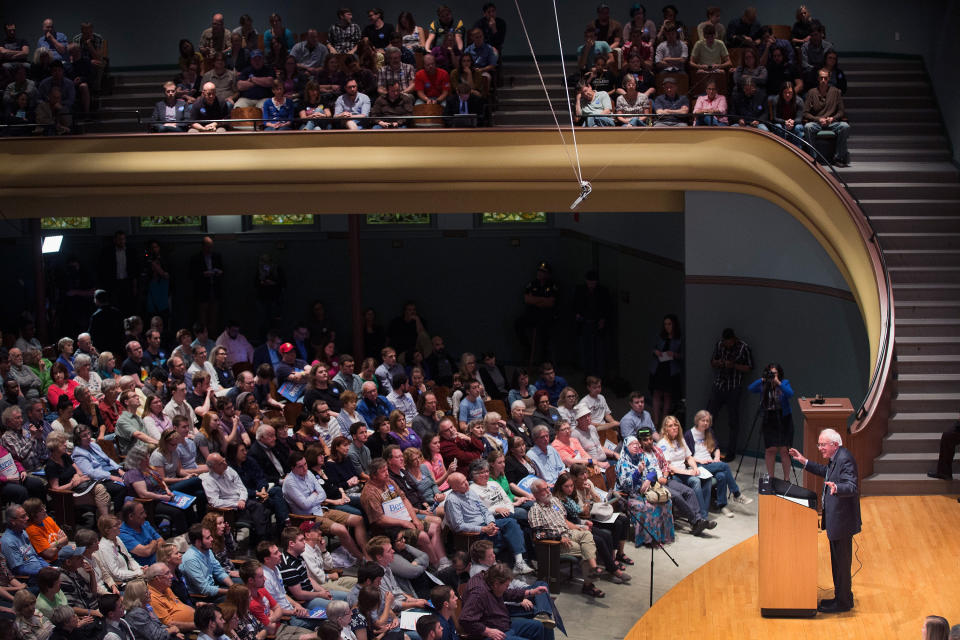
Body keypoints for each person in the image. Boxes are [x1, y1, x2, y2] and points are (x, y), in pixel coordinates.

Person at [788, 428, 861, 613]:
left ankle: (843, 603)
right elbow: (825, 471)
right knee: (838, 563)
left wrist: (837, 487)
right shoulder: (837, 457)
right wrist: (804, 461)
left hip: (842, 522)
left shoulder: (844, 458)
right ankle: (843, 598)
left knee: (841, 564)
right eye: (819, 444)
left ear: (834, 444)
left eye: (822, 444)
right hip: (838, 521)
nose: (820, 448)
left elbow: (852, 486)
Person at [684, 410, 752, 517]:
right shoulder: (689, 434)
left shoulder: (709, 432)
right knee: (724, 466)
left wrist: (716, 457)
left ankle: (722, 505)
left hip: (710, 463)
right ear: (697, 421)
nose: (705, 423)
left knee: (721, 475)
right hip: (698, 465)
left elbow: (716, 448)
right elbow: (686, 456)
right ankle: (737, 494)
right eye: (703, 420)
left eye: (707, 421)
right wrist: (699, 460)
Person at [459, 563, 553, 640]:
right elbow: (465, 620)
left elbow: (506, 593)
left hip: (502, 624)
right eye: (506, 586)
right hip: (490, 633)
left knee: (539, 626)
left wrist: (532, 592)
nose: (507, 588)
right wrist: (487, 631)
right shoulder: (478, 594)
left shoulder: (489, 579)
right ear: (496, 584)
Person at [614, 432, 675, 545]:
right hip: (628, 495)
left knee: (666, 502)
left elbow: (653, 471)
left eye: (637, 443)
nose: (636, 446)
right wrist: (638, 472)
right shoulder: (622, 463)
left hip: (646, 491)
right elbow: (625, 485)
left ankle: (663, 536)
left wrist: (648, 480)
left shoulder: (641, 457)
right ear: (626, 447)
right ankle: (649, 539)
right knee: (648, 506)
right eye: (633, 444)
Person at [707, 328, 754, 462]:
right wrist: (720, 363)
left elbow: (750, 367)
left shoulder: (743, 347)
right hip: (719, 385)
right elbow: (712, 361)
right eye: (725, 342)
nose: (727, 345)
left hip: (734, 387)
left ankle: (731, 452)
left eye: (729, 342)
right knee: (708, 418)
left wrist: (733, 365)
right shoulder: (719, 345)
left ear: (733, 339)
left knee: (733, 421)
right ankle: (709, 449)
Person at [748, 363, 795, 480]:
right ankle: (772, 478)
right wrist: (763, 379)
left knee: (785, 450)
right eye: (770, 373)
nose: (772, 376)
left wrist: (778, 383)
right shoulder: (763, 385)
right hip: (769, 418)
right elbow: (750, 388)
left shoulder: (784, 383)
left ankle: (786, 479)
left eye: (774, 373)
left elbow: (790, 393)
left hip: (784, 419)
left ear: (779, 374)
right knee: (770, 449)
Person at [803, 68, 851, 166]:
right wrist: (818, 119)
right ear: (818, 79)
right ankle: (814, 158)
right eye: (821, 78)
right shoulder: (812, 92)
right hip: (817, 122)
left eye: (825, 78)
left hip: (832, 122)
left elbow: (841, 111)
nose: (823, 81)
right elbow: (805, 113)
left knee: (845, 126)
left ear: (829, 78)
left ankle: (839, 158)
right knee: (808, 127)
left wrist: (833, 118)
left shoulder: (835, 92)